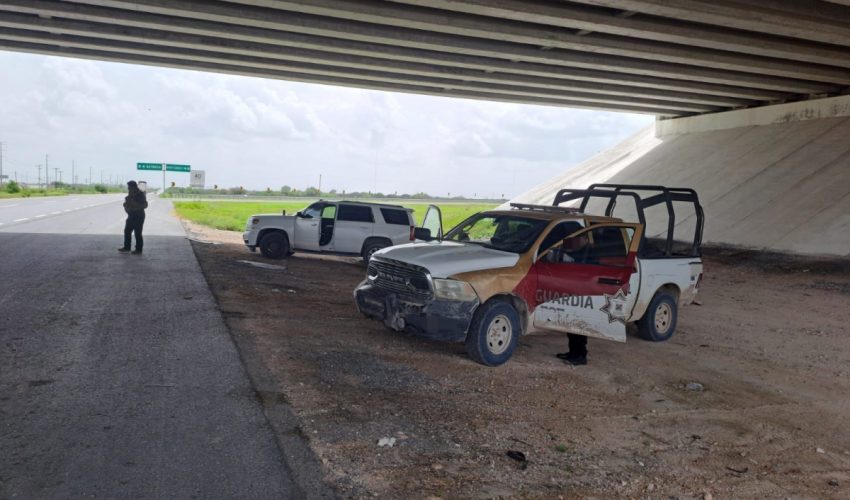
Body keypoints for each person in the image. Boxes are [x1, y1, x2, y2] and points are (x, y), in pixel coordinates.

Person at [119, 180, 147, 255]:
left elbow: (145, 205)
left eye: (129, 187)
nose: (128, 189)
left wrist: (134, 203)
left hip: (139, 215)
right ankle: (127, 247)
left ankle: (138, 250)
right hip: (131, 215)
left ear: (133, 187)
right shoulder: (131, 193)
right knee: (127, 231)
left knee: (137, 233)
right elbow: (128, 203)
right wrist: (126, 204)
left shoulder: (140, 194)